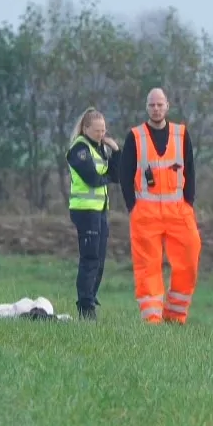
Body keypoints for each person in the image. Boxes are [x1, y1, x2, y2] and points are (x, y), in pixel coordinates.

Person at [109, 87, 200, 324]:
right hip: (146, 213)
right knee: (147, 266)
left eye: (160, 104)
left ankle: (176, 314)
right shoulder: (135, 136)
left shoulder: (182, 134)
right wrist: (133, 207)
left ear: (167, 106)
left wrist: (188, 203)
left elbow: (190, 169)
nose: (156, 109)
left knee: (189, 258)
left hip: (179, 211)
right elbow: (124, 173)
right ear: (146, 108)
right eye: (152, 105)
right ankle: (152, 318)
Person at [66, 106, 120, 322]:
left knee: (99, 260)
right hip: (84, 210)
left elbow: (114, 176)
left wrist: (115, 151)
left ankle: (91, 299)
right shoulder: (79, 149)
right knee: (89, 259)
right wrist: (105, 176)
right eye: (97, 131)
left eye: (104, 130)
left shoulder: (99, 149)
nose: (102, 134)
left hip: (99, 210)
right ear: (85, 128)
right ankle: (85, 307)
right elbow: (92, 179)